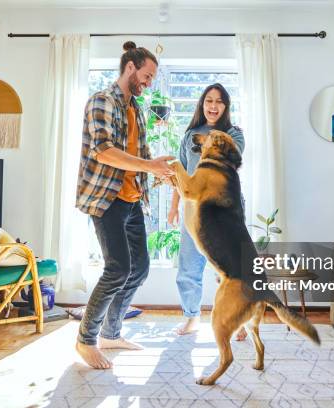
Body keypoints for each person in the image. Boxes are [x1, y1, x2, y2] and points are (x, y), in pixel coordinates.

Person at [75, 41, 175, 369]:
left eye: (151, 79)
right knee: (117, 267)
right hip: (107, 199)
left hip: (132, 200)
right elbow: (103, 151)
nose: (148, 83)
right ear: (130, 68)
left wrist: (161, 171)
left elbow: (140, 158)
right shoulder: (102, 101)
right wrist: (149, 166)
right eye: (146, 76)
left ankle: (111, 333)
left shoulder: (136, 110)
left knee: (140, 267)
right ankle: (85, 339)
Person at [167, 83, 248, 340]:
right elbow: (178, 172)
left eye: (219, 101)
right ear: (202, 104)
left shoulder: (234, 134)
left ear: (226, 106)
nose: (213, 106)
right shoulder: (190, 133)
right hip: (193, 212)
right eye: (209, 101)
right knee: (188, 267)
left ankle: (237, 319)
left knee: (227, 269)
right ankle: (192, 317)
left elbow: (227, 162)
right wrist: (173, 207)